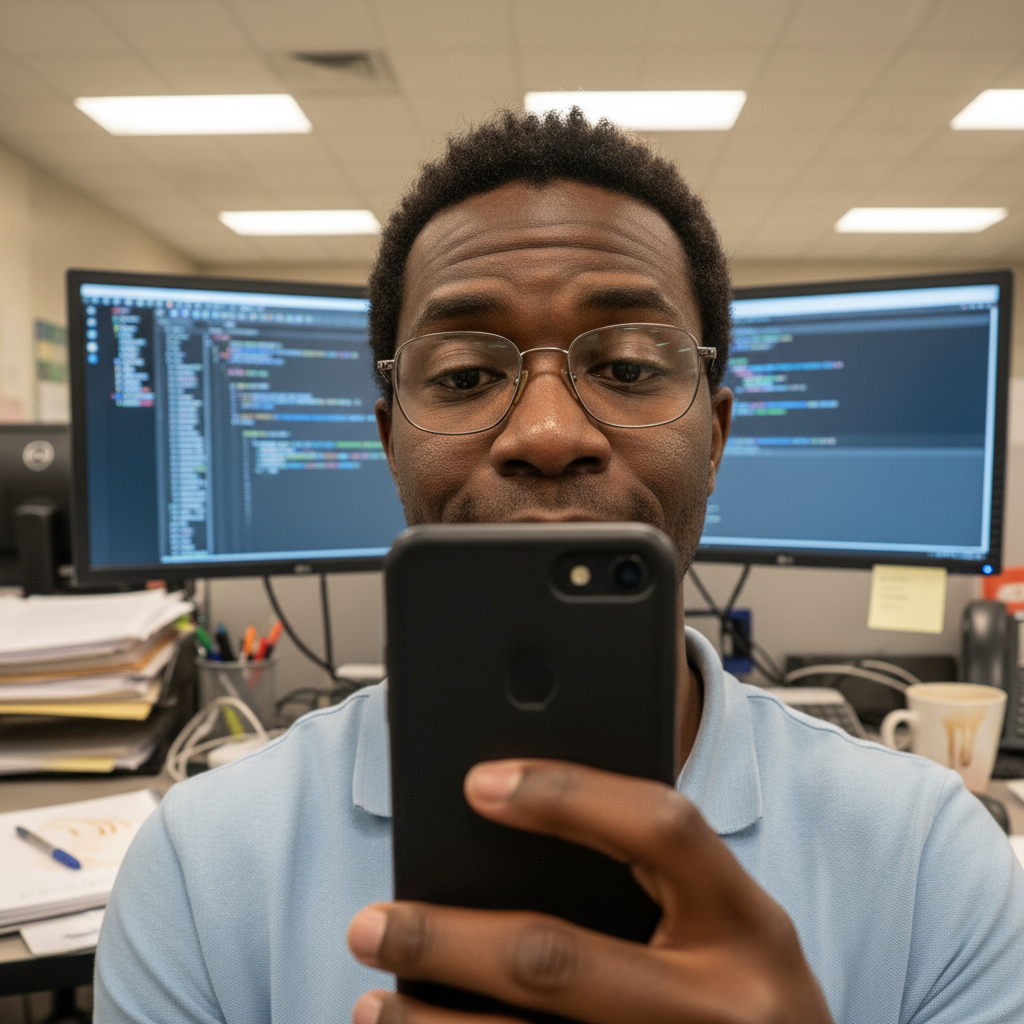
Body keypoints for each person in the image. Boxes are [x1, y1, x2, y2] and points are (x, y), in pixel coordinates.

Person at [94, 109, 1024, 1024]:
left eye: (625, 365)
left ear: (715, 438)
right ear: (390, 441)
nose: (546, 433)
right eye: (462, 375)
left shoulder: (931, 862)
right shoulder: (199, 865)